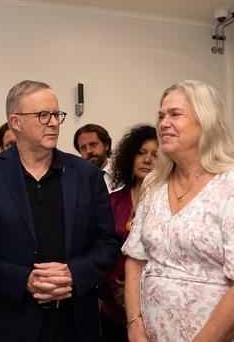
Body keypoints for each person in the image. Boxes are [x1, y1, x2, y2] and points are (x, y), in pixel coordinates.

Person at [0, 80, 120, 342]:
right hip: (14, 322)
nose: (54, 122)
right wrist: (25, 280)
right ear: (16, 121)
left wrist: (73, 274)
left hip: (76, 322)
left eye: (56, 114)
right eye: (43, 115)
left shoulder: (86, 176)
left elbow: (107, 243)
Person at [122, 80, 234, 342]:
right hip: (153, 334)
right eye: (161, 115)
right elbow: (135, 260)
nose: (163, 123)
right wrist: (135, 328)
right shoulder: (155, 183)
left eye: (175, 114)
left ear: (206, 121)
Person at [98, 125, 158, 342]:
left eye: (155, 155)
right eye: (141, 153)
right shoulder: (112, 201)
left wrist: (139, 291)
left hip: (158, 307)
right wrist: (115, 289)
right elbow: (100, 248)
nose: (147, 160)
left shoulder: (170, 204)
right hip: (114, 307)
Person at [73, 123, 114, 192]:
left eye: (93, 145)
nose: (88, 151)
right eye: (83, 148)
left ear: (106, 145)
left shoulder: (123, 173)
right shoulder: (76, 180)